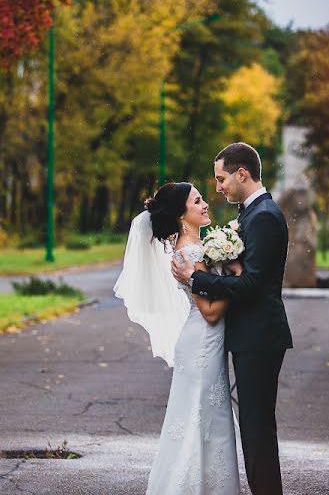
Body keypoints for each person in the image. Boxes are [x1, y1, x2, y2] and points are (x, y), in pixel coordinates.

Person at [171, 142, 293, 495]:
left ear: (243, 173)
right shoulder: (252, 214)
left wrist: (195, 278)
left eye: (222, 178)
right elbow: (246, 273)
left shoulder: (264, 215)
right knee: (254, 428)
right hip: (250, 335)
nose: (218, 187)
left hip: (259, 336)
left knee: (257, 429)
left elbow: (253, 283)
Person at [114, 181, 240, 494]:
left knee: (204, 418)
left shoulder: (202, 248)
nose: (205, 204)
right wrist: (238, 279)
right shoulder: (189, 253)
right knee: (202, 419)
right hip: (202, 343)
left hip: (202, 342)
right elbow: (210, 312)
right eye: (197, 201)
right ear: (182, 215)